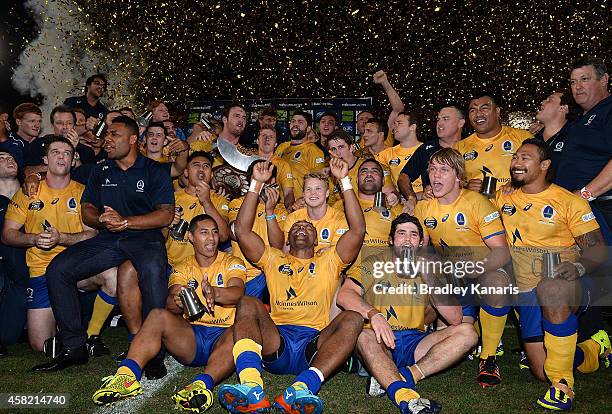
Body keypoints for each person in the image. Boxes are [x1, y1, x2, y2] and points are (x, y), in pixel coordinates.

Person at [217, 158, 365, 414]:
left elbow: (358, 230)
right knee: (247, 302)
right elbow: (241, 230)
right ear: (287, 237)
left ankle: (300, 389)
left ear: (317, 239)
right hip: (278, 341)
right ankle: (252, 387)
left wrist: (344, 180)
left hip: (314, 345)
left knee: (353, 318)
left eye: (307, 227)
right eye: (296, 226)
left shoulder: (330, 259)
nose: (301, 228)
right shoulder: (274, 257)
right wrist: (256, 184)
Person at [31, 116, 174, 373]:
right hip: (109, 237)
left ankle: (154, 354)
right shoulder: (100, 170)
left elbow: (165, 214)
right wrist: (100, 219)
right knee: (59, 269)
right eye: (107, 134)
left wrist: (126, 222)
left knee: (153, 274)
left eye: (114, 134)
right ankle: (75, 347)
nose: (107, 139)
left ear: (132, 140)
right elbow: (86, 208)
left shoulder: (155, 170)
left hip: (144, 238)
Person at [493, 139, 609, 410]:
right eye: (515, 157)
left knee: (551, 288)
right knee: (541, 371)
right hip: (526, 291)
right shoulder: (502, 196)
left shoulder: (569, 201)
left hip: (570, 283)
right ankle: (594, 350)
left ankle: (563, 386)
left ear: (544, 165)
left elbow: (598, 250)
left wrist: (578, 267)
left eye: (525, 158)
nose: (516, 162)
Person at [92, 214, 247, 411]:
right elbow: (170, 301)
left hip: (223, 336)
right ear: (190, 237)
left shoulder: (232, 261)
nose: (211, 238)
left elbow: (237, 293)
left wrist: (214, 292)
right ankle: (126, 376)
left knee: (239, 331)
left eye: (215, 233)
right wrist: (178, 302)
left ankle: (201, 385)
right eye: (204, 233)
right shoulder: (183, 267)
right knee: (157, 315)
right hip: (192, 338)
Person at [338, 214, 478, 414]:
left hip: (414, 342)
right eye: (401, 233)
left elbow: (455, 318)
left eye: (413, 235)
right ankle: (403, 395)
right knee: (363, 335)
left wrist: (427, 274)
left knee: (468, 333)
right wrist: (373, 314)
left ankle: (403, 377)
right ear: (391, 240)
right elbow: (344, 295)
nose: (406, 239)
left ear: (420, 243)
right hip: (380, 339)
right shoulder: (374, 262)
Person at [1, 137, 116, 353]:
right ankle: (66, 321)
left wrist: (62, 238)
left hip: (75, 268)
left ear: (73, 161)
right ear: (45, 159)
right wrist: (34, 239)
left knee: (114, 275)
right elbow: (8, 234)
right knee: (40, 345)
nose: (61, 156)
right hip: (41, 270)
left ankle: (91, 335)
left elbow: (92, 233)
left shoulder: (84, 192)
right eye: (55, 152)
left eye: (67, 153)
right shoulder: (28, 192)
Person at [412, 148, 511, 388]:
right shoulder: (424, 208)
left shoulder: (477, 203)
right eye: (433, 169)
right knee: (455, 333)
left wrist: (471, 269)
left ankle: (488, 356)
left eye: (444, 170)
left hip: (482, 272)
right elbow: (421, 250)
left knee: (496, 284)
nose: (436, 175)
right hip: (450, 277)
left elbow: (501, 252)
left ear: (458, 176)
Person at [556, 57, 612, 232]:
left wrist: (585, 194)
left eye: (584, 79)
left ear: (604, 80)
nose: (577, 86)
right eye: (573, 82)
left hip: (602, 208)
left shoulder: (609, 109)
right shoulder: (579, 119)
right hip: (575, 211)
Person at [228, 160, 288, 300]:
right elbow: (236, 232)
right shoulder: (238, 203)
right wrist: (257, 185)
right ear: (252, 180)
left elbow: (278, 246)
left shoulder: (280, 210)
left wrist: (270, 212)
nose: (265, 181)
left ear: (274, 180)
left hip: (269, 274)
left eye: (269, 177)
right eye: (260, 178)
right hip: (243, 275)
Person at [455, 93, 532, 192]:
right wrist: (465, 188)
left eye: (484, 108)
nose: (478, 114)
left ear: (497, 112)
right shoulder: (459, 147)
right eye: (473, 110)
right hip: (478, 205)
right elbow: (451, 183)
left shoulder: (522, 137)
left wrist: (518, 183)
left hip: (517, 204)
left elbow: (541, 170)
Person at [398, 105, 465, 211]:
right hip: (431, 214)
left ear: (460, 123)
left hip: (465, 210)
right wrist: (412, 198)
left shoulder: (471, 148)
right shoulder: (426, 149)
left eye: (445, 119)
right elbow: (403, 177)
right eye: (438, 119)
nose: (439, 123)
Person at [333, 158, 402, 247]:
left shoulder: (396, 208)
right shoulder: (339, 206)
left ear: (383, 181)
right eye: (364, 172)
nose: (369, 174)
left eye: (375, 171)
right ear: (357, 180)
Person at [0, 149, 28, 354]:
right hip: (3, 271)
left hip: (27, 270)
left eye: (11, 157)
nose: (9, 159)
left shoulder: (35, 194)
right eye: (1, 158)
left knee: (9, 337)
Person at [275, 111, 326, 200]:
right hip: (278, 205)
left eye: (300, 122)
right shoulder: (282, 147)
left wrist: (303, 201)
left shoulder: (313, 150)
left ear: (308, 128)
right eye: (293, 121)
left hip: (300, 205)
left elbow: (319, 181)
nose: (295, 124)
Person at [377, 112, 422, 190]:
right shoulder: (385, 155)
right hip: (397, 200)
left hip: (426, 200)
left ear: (412, 127)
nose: (394, 126)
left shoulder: (427, 151)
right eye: (394, 123)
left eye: (399, 123)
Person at [256, 127, 295, 210]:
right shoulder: (248, 160)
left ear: (276, 144)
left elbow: (288, 192)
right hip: (251, 206)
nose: (267, 139)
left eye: (271, 137)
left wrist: (290, 207)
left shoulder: (283, 165)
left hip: (274, 208)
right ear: (257, 141)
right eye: (264, 135)